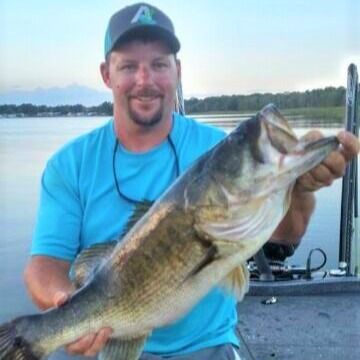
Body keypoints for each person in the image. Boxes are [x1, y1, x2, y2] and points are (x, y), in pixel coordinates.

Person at [24, 2, 359, 359]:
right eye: (128, 66)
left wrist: (302, 190)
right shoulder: (69, 165)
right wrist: (65, 306)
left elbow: (283, 239)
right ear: (107, 74)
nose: (145, 80)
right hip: (114, 347)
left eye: (158, 64)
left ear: (177, 71)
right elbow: (43, 266)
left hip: (210, 346)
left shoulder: (213, 147)